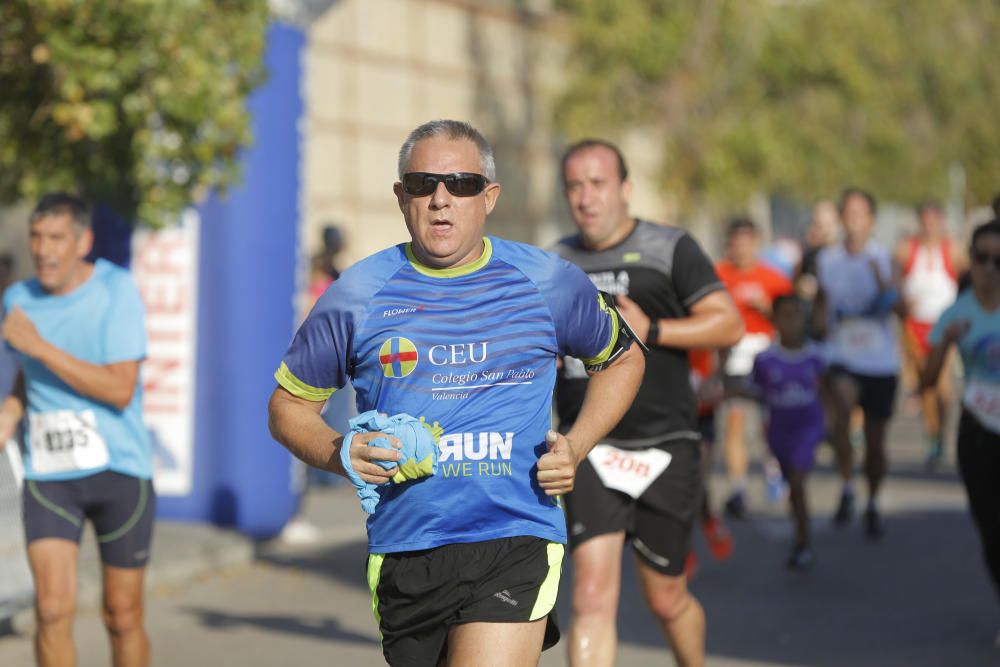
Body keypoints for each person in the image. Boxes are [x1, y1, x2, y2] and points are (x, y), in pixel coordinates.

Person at [267, 120, 645, 667]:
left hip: (515, 531)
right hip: (406, 546)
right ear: (401, 197)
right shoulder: (357, 295)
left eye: (461, 184)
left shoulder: (544, 281)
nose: (441, 199)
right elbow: (287, 406)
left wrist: (578, 444)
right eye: (423, 184)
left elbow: (623, 357)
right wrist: (339, 452)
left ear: (488, 197)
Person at [553, 138, 743, 667]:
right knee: (590, 595)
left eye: (597, 184)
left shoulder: (669, 248)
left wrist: (652, 327)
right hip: (588, 442)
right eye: (574, 186)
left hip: (666, 443)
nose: (585, 198)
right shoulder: (556, 263)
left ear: (625, 188)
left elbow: (729, 323)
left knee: (666, 596)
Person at [0, 193, 154, 667]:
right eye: (36, 236)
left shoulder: (116, 289)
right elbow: (30, 375)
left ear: (82, 241)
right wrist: (10, 411)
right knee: (50, 608)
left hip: (120, 469)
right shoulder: (18, 299)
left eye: (56, 238)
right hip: (50, 475)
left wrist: (39, 347)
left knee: (121, 613)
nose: (43, 249)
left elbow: (119, 389)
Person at [921, 219, 1000, 614]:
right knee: (991, 531)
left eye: (999, 260)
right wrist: (946, 342)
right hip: (978, 432)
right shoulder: (957, 312)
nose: (990, 268)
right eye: (982, 258)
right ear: (970, 261)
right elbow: (927, 380)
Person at [814, 188, 901, 539]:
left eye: (861, 214)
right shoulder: (827, 259)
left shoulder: (885, 259)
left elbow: (902, 309)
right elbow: (821, 305)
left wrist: (886, 288)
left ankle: (873, 501)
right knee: (843, 406)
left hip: (879, 359)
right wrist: (819, 322)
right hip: (841, 355)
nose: (854, 221)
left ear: (872, 220)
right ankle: (847, 486)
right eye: (848, 213)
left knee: (876, 440)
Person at [714, 217, 794, 518]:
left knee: (769, 421)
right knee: (735, 419)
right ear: (728, 244)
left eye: (747, 242)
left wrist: (769, 310)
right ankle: (738, 488)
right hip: (733, 354)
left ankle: (775, 474)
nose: (741, 248)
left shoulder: (774, 278)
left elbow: (790, 320)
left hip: (767, 352)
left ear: (756, 243)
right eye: (736, 242)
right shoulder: (718, 274)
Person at [746, 296, 826, 570]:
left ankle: (803, 543)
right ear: (775, 320)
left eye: (796, 315)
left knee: (798, 481)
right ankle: (799, 537)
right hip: (779, 430)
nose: (791, 321)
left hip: (807, 427)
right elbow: (755, 392)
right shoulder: (765, 359)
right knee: (792, 485)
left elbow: (828, 393)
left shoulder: (816, 355)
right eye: (785, 315)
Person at [896, 200, 966, 468]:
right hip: (915, 326)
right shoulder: (906, 249)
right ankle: (933, 434)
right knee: (926, 385)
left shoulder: (954, 250)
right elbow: (894, 283)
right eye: (924, 221)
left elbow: (969, 282)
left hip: (945, 326)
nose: (929, 226)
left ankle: (942, 431)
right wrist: (902, 304)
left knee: (943, 385)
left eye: (933, 221)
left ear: (941, 221)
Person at [685, 348, 734, 578]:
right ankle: (707, 516)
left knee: (694, 478)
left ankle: (685, 548)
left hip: (701, 406)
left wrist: (715, 377)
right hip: (670, 403)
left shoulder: (701, 310)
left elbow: (728, 338)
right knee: (680, 481)